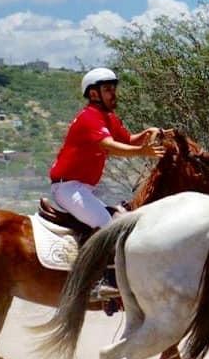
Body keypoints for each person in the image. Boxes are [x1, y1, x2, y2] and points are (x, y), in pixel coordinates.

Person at [49, 67, 166, 295]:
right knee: (108, 226)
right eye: (107, 89)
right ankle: (101, 281)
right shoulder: (89, 118)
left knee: (118, 221)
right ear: (94, 94)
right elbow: (110, 146)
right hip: (68, 188)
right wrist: (143, 151)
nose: (114, 94)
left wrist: (146, 133)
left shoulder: (108, 118)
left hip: (82, 188)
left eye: (114, 89)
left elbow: (127, 139)